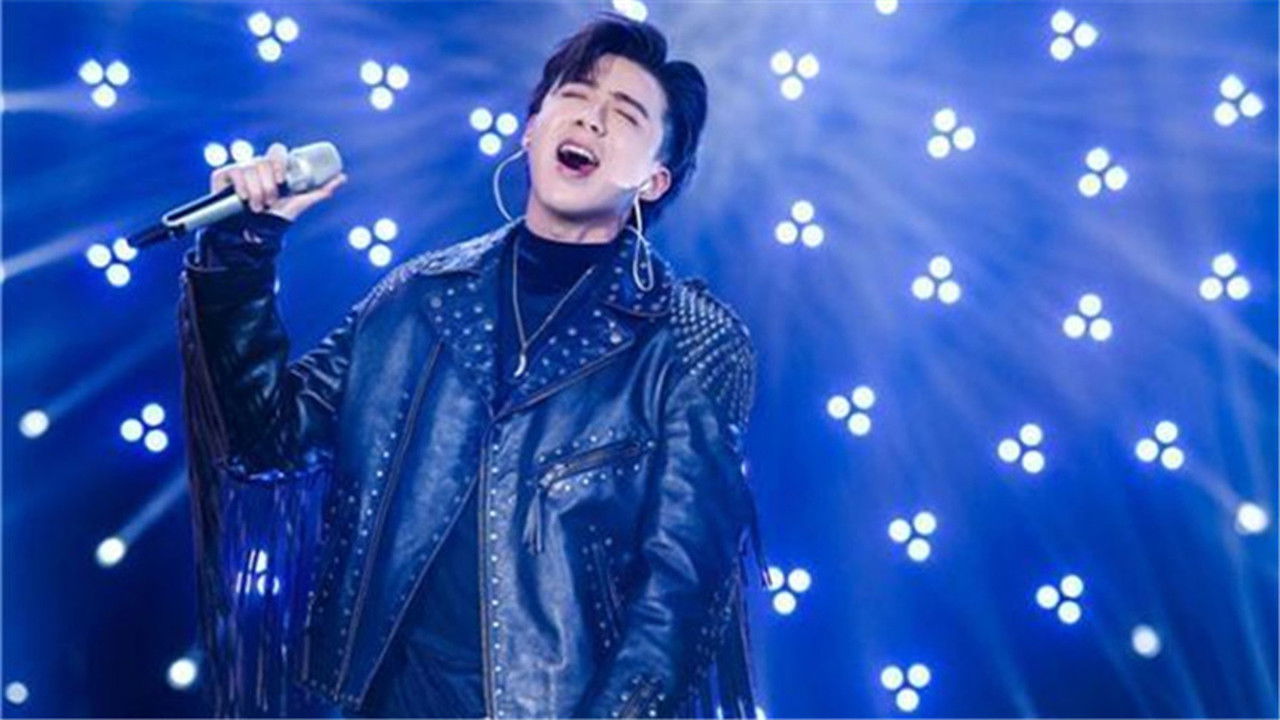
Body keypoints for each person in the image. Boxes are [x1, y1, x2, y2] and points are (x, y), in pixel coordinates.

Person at [179, 11, 767, 719]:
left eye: (626, 114)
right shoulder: (418, 300)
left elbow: (679, 604)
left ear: (654, 180)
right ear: (531, 128)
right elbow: (263, 441)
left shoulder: (689, 342)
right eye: (576, 95)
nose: (592, 119)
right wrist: (242, 248)